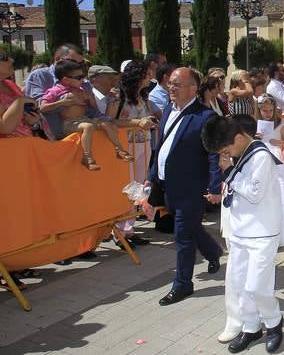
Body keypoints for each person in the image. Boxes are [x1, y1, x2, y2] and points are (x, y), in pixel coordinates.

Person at [201, 115, 284, 354]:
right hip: (240, 230)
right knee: (239, 284)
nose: (226, 154)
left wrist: (229, 172)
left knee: (257, 286)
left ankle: (274, 322)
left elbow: (254, 193)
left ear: (239, 138)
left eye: (227, 149)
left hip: (261, 232)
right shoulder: (241, 152)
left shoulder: (261, 157)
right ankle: (251, 326)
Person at [146, 67, 224, 306]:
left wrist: (214, 187)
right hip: (168, 186)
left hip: (192, 188)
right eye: (170, 83)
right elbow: (161, 147)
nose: (171, 87)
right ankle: (213, 252)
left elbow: (213, 155)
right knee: (190, 228)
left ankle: (183, 284)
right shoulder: (169, 109)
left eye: (177, 84)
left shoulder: (205, 117)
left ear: (193, 88)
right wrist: (151, 176)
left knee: (183, 235)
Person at [39, 60, 133, 170]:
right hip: (69, 123)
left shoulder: (81, 89)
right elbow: (42, 107)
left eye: (83, 76)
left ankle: (119, 149)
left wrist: (90, 98)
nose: (83, 79)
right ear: (66, 79)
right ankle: (87, 157)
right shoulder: (55, 91)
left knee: (106, 123)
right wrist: (62, 103)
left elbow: (93, 107)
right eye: (78, 77)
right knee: (88, 127)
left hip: (84, 119)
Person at [115, 59, 158, 245]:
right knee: (128, 187)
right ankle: (119, 231)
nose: (150, 78)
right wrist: (136, 123)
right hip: (127, 147)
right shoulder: (118, 96)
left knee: (139, 187)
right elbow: (110, 122)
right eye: (147, 74)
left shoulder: (143, 96)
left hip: (144, 143)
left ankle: (128, 229)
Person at [257, 95, 284, 247]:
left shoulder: (281, 122)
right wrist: (257, 137)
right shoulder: (255, 123)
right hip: (261, 156)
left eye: (270, 110)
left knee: (280, 190)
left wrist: (278, 142)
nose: (267, 113)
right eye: (264, 111)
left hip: (277, 156)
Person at [0, 50, 41, 138]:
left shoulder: (10, 84)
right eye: (4, 58)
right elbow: (5, 128)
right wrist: (20, 101)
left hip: (25, 145)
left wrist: (32, 122)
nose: (11, 60)